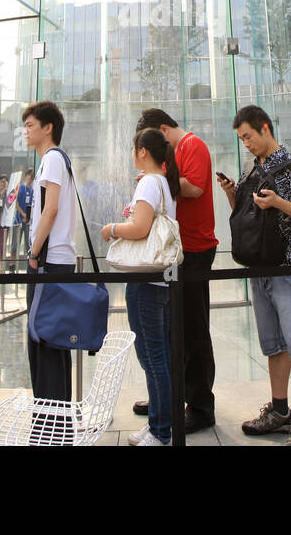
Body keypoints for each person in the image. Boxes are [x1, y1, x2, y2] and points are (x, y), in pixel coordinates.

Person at [216, 105, 291, 446]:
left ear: (265, 128)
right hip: (257, 267)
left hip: (286, 268)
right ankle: (280, 412)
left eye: (248, 135)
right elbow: (248, 216)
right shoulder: (252, 168)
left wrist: (278, 202)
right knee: (274, 346)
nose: (245, 143)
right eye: (241, 138)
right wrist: (233, 192)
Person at [133, 107, 217, 433]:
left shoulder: (193, 145)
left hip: (196, 249)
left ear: (164, 130)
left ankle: (200, 406)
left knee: (194, 329)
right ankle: (168, 399)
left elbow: (194, 187)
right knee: (173, 329)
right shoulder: (171, 154)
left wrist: (156, 179)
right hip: (176, 252)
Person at [102, 128, 180, 446]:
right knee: (157, 355)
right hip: (160, 279)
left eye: (134, 149)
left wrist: (112, 229)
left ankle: (161, 432)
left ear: (142, 152)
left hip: (146, 280)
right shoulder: (162, 182)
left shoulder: (149, 182)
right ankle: (158, 425)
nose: (131, 155)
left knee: (153, 357)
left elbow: (140, 228)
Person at [23, 100, 77, 401]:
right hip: (54, 260)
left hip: (50, 261)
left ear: (48, 127)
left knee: (45, 342)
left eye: (31, 125)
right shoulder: (52, 160)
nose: (26, 131)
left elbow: (50, 209)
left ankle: (51, 424)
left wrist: (33, 252)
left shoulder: (53, 158)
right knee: (50, 343)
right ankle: (56, 421)